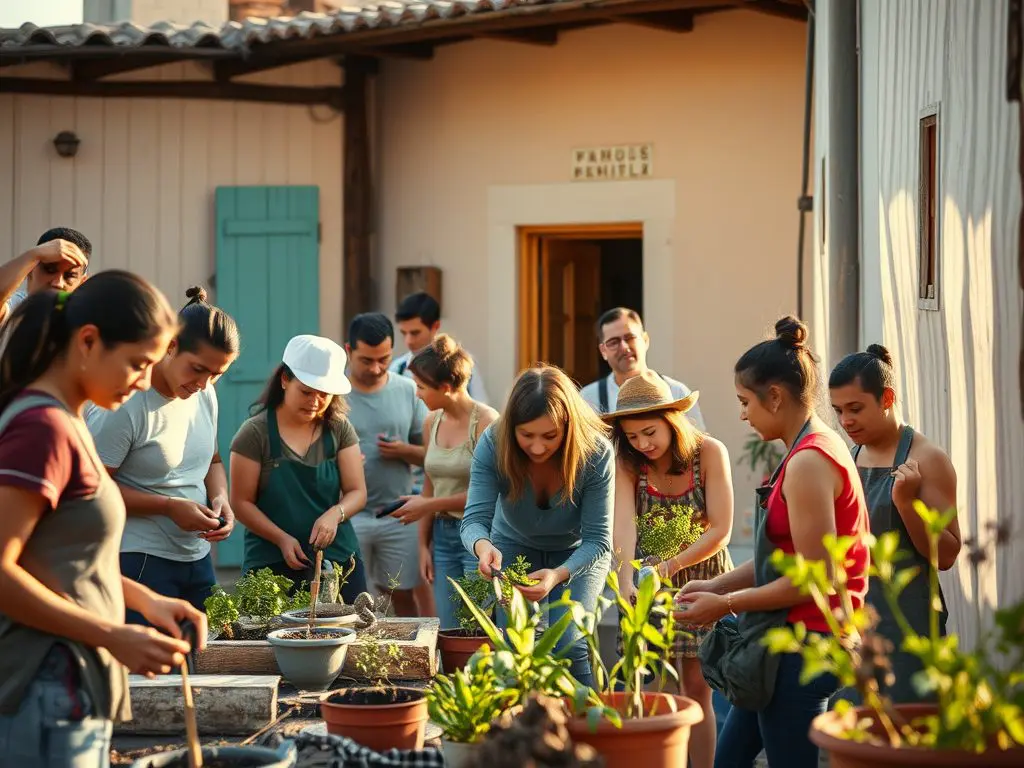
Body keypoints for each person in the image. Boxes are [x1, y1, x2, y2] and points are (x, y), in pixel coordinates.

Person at [0, 272, 206, 768]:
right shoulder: (41, 428)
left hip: (66, 684)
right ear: (88, 340)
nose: (141, 382)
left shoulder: (67, 420)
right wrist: (112, 634)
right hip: (43, 684)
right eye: (137, 363)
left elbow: (61, 560)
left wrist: (145, 600)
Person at [675, 316, 870, 768]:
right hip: (782, 642)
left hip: (803, 645)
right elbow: (785, 559)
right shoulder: (809, 449)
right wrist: (716, 585)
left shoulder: (809, 462)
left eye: (745, 402)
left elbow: (814, 579)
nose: (742, 414)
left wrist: (724, 606)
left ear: (776, 396)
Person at [88, 287, 239, 624]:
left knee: (203, 666)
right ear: (170, 345)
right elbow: (91, 490)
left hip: (197, 557)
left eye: (216, 374)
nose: (203, 383)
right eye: (197, 369)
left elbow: (212, 461)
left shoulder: (204, 395)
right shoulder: (125, 404)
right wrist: (168, 507)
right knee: (151, 674)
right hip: (138, 560)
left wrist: (221, 499)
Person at [606, 371, 733, 768]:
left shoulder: (709, 452)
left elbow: (722, 529)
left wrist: (671, 565)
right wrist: (625, 579)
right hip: (649, 583)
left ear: (672, 421)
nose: (642, 444)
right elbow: (623, 524)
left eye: (650, 432)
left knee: (697, 687)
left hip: (702, 579)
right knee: (657, 683)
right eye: (632, 437)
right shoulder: (629, 464)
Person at [461, 364, 614, 689]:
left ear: (568, 426)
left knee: (570, 644)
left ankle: (588, 730)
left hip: (578, 555)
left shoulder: (596, 452)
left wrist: (559, 574)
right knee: (515, 647)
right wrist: (483, 547)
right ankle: (518, 733)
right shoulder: (493, 442)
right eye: (526, 435)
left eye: (550, 436)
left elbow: (599, 540)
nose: (538, 447)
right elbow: (473, 521)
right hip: (513, 546)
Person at [829, 344, 961, 703]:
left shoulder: (928, 459)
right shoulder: (850, 456)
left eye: (855, 409)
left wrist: (907, 503)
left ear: (887, 398)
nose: (845, 421)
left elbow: (947, 554)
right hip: (857, 625)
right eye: (838, 411)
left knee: (907, 737)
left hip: (908, 628)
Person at [229, 335, 369, 600]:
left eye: (324, 395)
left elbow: (357, 492)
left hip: (337, 559)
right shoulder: (254, 433)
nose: (315, 401)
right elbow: (240, 502)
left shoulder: (339, 428)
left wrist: (335, 514)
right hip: (269, 564)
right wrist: (281, 539)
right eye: (306, 392)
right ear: (284, 380)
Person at [385, 334, 498, 629]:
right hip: (443, 535)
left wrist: (427, 505)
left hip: (480, 538)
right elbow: (429, 484)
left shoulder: (486, 422)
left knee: (477, 629)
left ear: (446, 388)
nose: (417, 395)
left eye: (421, 387)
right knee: (448, 629)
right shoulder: (430, 422)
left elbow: (487, 494)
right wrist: (423, 546)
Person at [345, 312, 429, 616]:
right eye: (367, 360)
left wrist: (404, 450)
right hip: (349, 516)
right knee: (352, 599)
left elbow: (430, 455)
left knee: (403, 595)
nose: (377, 367)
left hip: (398, 514)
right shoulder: (333, 394)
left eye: (384, 358)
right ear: (348, 351)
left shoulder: (408, 389)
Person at [579, 307, 706, 430]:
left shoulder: (677, 393)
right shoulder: (588, 398)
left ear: (645, 340)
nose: (624, 347)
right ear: (603, 351)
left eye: (630, 338)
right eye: (614, 342)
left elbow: (698, 446)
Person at [391, 291, 490, 405]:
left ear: (435, 326)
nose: (408, 341)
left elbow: (480, 407)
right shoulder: (398, 368)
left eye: (415, 333)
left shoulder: (462, 364)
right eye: (404, 333)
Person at [0, 228, 92, 325]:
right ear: (29, 271)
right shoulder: (15, 307)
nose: (58, 283)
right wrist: (33, 255)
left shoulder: (85, 321)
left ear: (82, 283)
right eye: (50, 270)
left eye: (69, 276)